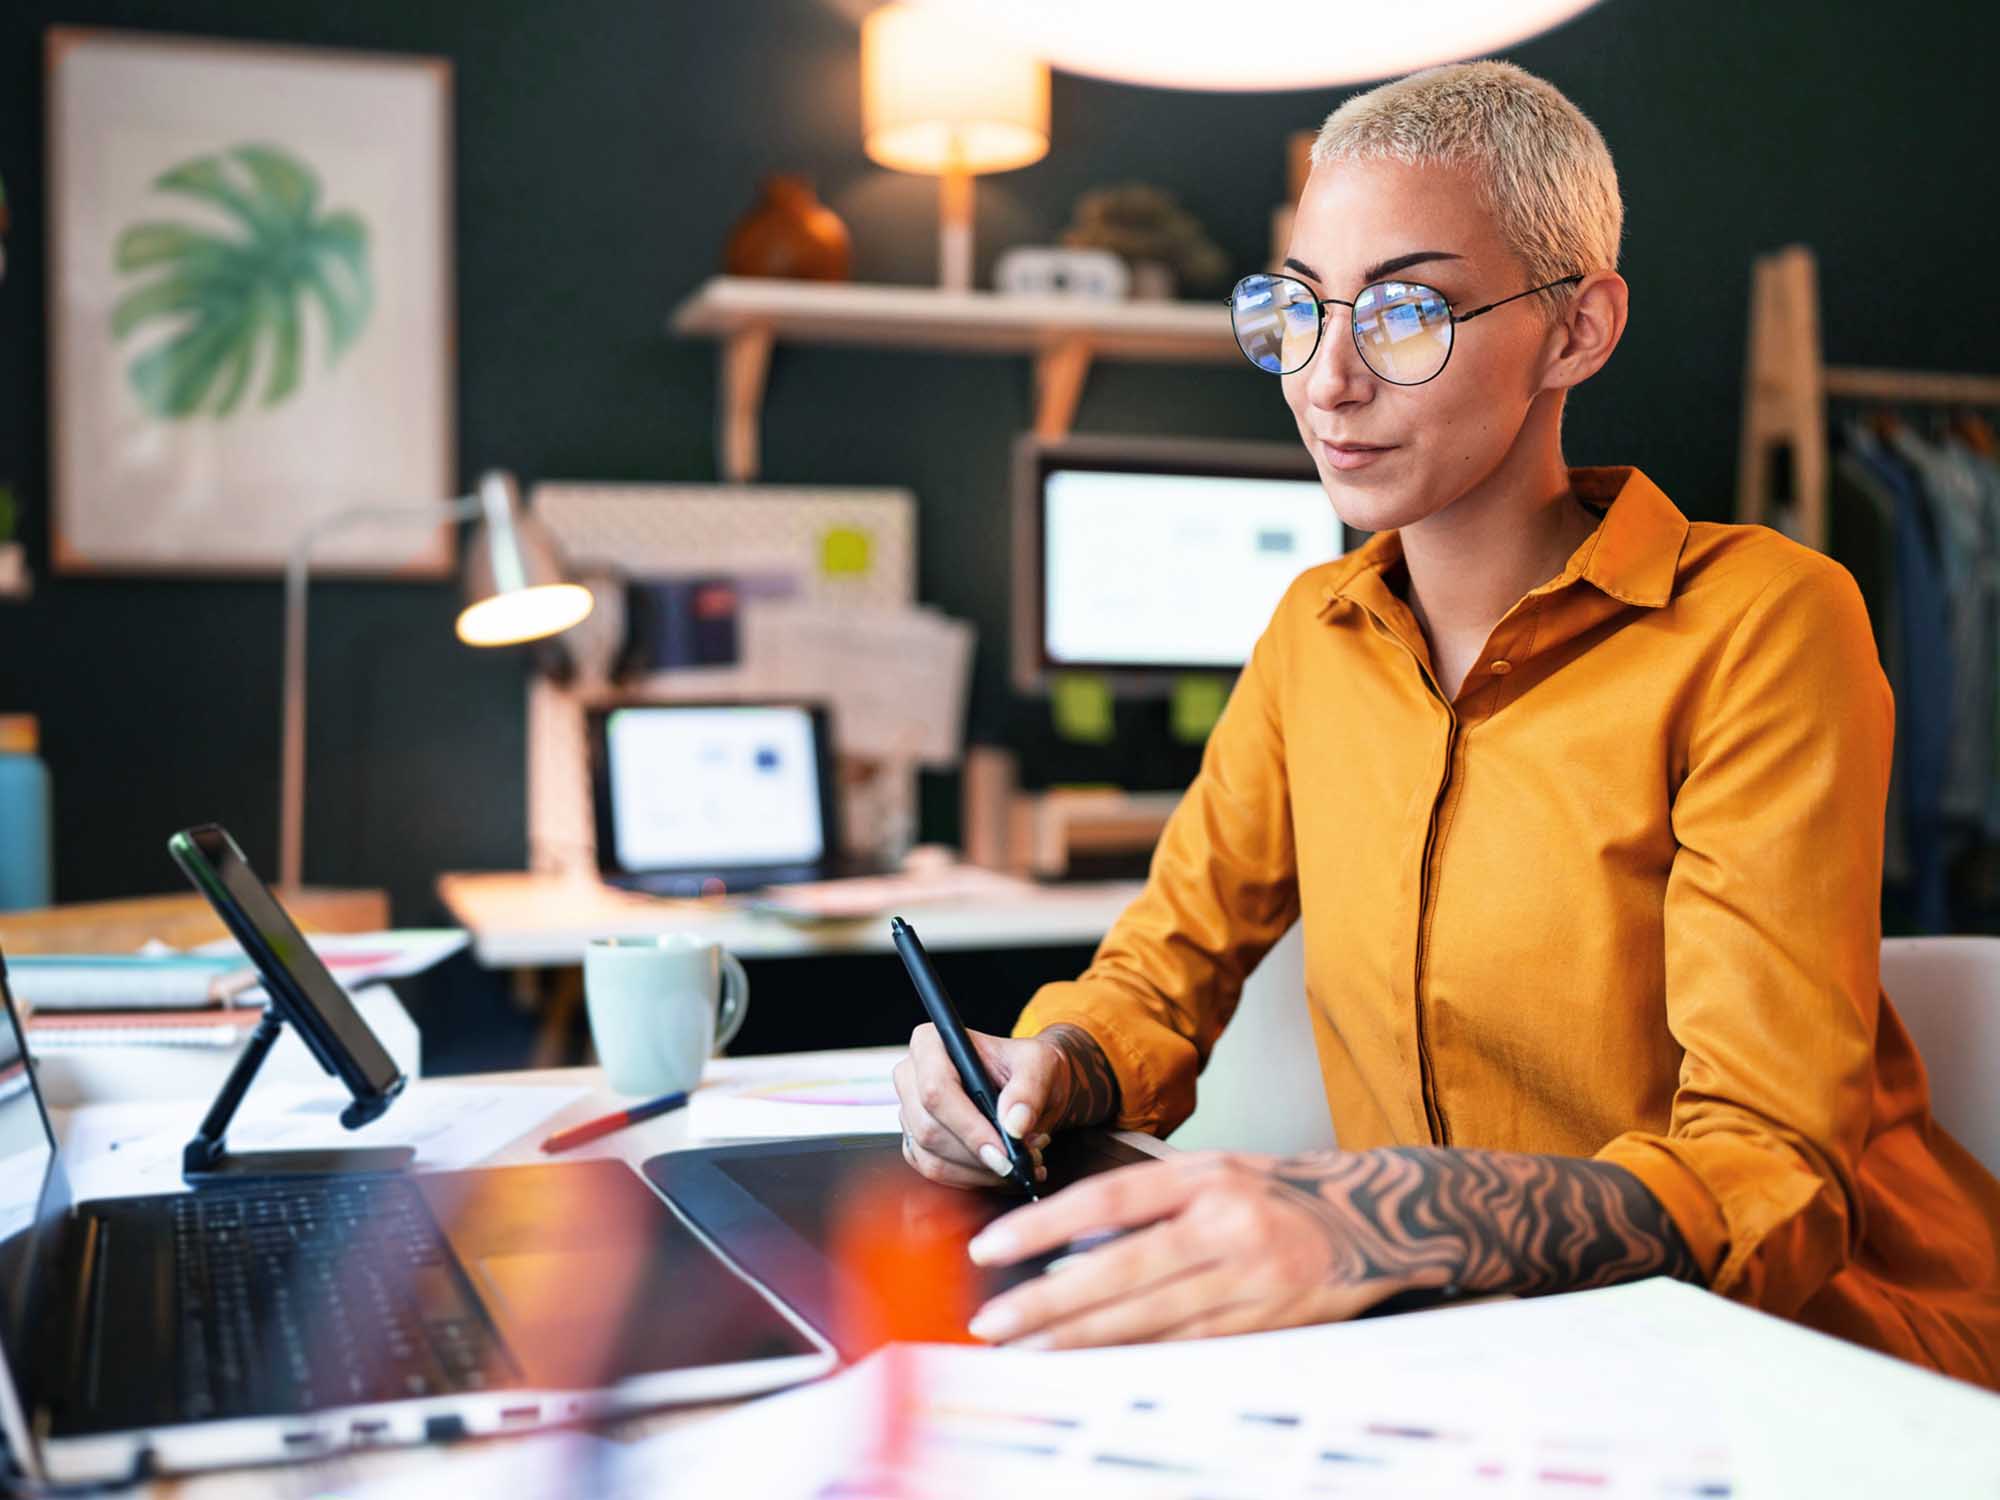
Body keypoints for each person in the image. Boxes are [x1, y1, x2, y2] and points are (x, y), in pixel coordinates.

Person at [892, 59, 2000, 1385]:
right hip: (1475, 1366)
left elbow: (1768, 1173)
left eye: (1408, 310)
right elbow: (1164, 969)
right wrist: (1042, 1071)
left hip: (1816, 1369)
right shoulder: (1316, 633)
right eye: (1298, 311)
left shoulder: (1760, 622)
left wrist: (1375, 1223)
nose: (1329, 382)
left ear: (1578, 330)